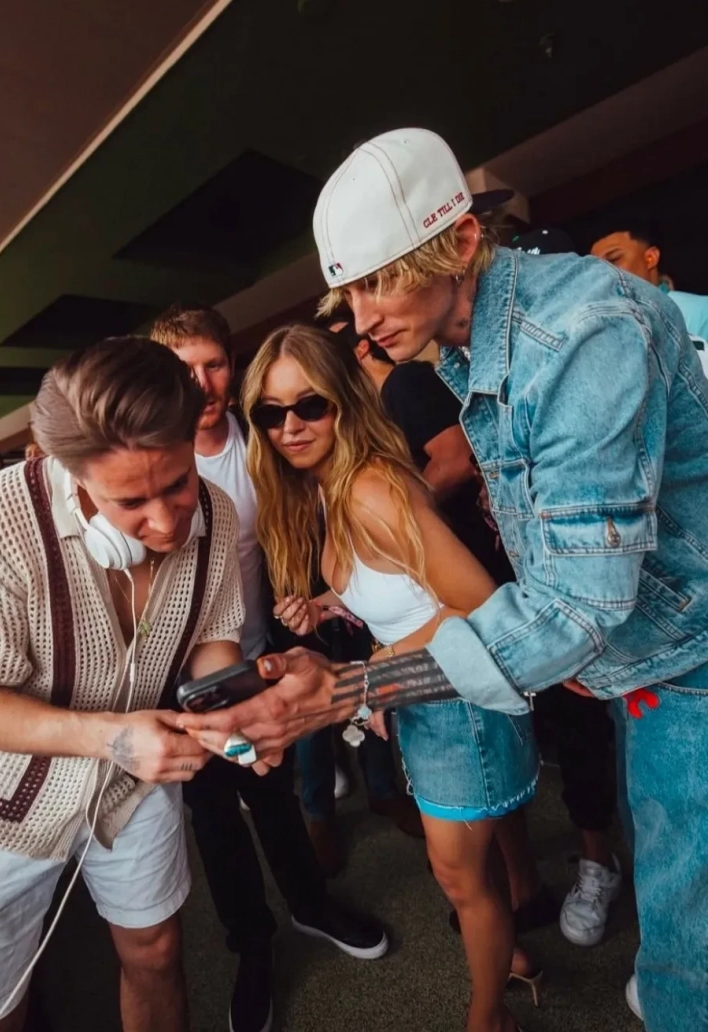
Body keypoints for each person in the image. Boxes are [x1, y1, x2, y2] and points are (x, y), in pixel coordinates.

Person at [180, 128, 708, 1032]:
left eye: (382, 279)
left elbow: (578, 606)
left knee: (683, 953)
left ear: (462, 241)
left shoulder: (577, 335)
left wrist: (349, 689)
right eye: (351, 291)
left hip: (689, 663)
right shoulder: (473, 349)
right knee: (670, 897)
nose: (364, 315)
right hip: (645, 658)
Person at [0, 337, 254, 1032]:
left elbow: (213, 642)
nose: (166, 522)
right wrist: (112, 737)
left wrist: (236, 713)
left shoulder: (216, 514)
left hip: (132, 780)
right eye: (130, 501)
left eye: (178, 484)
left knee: (158, 951)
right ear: (66, 471)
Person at [243, 323, 541, 1032]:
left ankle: (489, 1016)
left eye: (308, 405)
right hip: (425, 695)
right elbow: (404, 589)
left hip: (459, 705)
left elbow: (481, 602)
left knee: (459, 878)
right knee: (471, 872)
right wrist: (328, 603)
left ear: (343, 400)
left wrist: (375, 664)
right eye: (270, 413)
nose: (290, 427)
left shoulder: (372, 489)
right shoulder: (329, 487)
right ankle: (509, 958)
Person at [150, 304, 387, 1032]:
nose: (202, 382)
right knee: (216, 816)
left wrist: (308, 602)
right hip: (184, 681)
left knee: (274, 791)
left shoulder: (265, 441)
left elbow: (304, 528)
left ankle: (310, 904)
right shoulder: (156, 464)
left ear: (233, 367)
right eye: (184, 369)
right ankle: (252, 947)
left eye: (214, 363)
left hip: (260, 655)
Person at [512, 227, 623, 948]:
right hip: (538, 591)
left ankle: (614, 865)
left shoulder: (607, 340)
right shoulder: (493, 375)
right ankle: (598, 861)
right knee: (575, 732)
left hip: (624, 599)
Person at [590, 217, 708, 376]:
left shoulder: (700, 311)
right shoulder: (601, 329)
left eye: (614, 259)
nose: (603, 273)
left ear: (650, 258)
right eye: (596, 267)